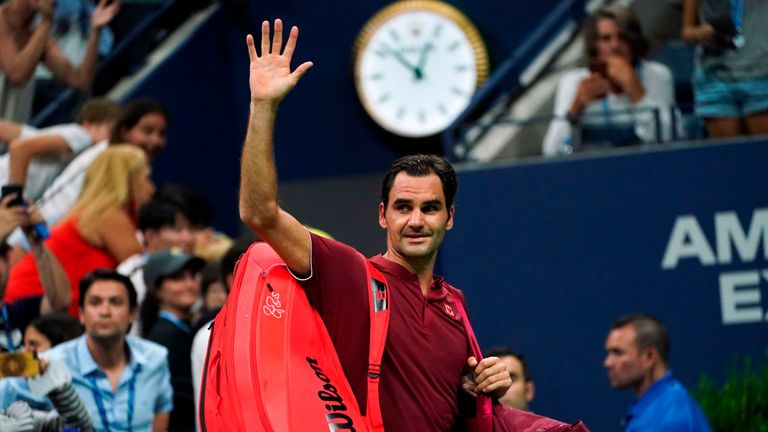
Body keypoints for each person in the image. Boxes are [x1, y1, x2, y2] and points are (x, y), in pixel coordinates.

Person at [237, 19, 512, 430]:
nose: (415, 221)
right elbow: (259, 213)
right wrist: (263, 107)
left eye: (430, 208)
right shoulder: (349, 275)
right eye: (402, 207)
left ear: (449, 218)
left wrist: (481, 388)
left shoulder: (455, 303)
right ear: (382, 214)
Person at [4, 145, 155, 317]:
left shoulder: (96, 212)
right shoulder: (108, 215)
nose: (151, 188)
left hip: (41, 301)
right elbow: (139, 272)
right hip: (31, 303)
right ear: (129, 181)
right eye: (147, 178)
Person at [45, 269, 173, 432]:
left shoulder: (155, 358)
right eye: (95, 302)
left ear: (132, 313)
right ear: (81, 313)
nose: (105, 312)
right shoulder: (52, 363)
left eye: (116, 302)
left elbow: (161, 410)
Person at [543, 5, 677, 156]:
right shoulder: (573, 82)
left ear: (634, 41)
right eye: (606, 39)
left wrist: (636, 92)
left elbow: (669, 140)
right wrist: (575, 110)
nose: (615, 46)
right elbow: (553, 152)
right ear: (594, 46)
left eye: (622, 37)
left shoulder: (657, 75)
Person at [0, 0, 119, 123]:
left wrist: (95, 31)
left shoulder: (37, 36)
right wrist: (46, 22)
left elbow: (81, 82)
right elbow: (17, 75)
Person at [604, 314, 712, 431]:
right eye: (609, 353)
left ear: (649, 357)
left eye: (618, 353)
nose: (607, 363)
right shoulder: (659, 405)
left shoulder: (670, 419)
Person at [0, 97, 121, 201]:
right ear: (88, 124)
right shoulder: (81, 135)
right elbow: (19, 148)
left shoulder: (65, 137)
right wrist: (15, 199)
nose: (111, 140)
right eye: (110, 132)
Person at [681, 0, 768, 138]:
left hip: (761, 76)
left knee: (762, 155)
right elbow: (687, 32)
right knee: (727, 156)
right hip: (715, 78)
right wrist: (703, 32)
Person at [139, 248, 203, 432]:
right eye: (177, 278)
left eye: (193, 276)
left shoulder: (182, 329)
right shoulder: (164, 337)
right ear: (156, 289)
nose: (190, 284)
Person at [484, 346, 535, 411]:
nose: (503, 387)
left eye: (512, 379)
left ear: (528, 390)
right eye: (494, 380)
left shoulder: (547, 421)